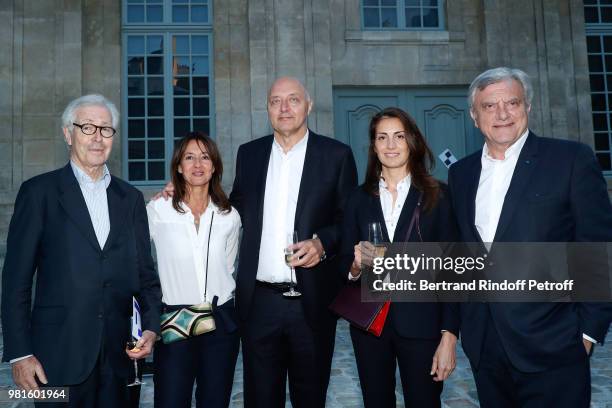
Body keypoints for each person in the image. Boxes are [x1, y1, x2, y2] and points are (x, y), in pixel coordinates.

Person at [447, 67, 612, 407]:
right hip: (486, 347)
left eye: (512, 103)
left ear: (528, 108)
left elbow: (597, 249)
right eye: (490, 106)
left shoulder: (570, 159)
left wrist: (587, 332)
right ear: (474, 116)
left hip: (554, 344)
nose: (502, 114)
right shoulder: (461, 174)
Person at [1, 94, 161, 407]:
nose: (98, 138)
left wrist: (152, 329)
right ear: (67, 133)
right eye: (87, 128)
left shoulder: (129, 199)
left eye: (106, 129)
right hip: (55, 360)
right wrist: (20, 354)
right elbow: (15, 281)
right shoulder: (39, 193)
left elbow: (146, 275)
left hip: (121, 360)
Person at [230, 77, 357, 407]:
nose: (284, 108)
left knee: (310, 397)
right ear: (268, 108)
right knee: (260, 399)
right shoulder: (250, 155)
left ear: (309, 105)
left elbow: (349, 219)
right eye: (276, 101)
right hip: (260, 303)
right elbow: (231, 209)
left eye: (293, 100)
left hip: (311, 302)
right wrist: (184, 195)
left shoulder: (336, 155)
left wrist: (322, 244)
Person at [339, 107, 459, 407]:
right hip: (371, 325)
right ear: (374, 145)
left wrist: (449, 336)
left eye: (399, 136)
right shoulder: (357, 198)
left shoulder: (438, 196)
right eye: (382, 137)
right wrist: (354, 266)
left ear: (412, 142)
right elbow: (344, 261)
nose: (391, 145)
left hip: (422, 325)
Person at [147, 132, 241, 408]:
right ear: (178, 166)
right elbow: (139, 264)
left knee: (215, 400)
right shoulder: (158, 210)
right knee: (171, 400)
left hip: (220, 318)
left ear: (214, 167)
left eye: (205, 157)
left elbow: (228, 264)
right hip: (176, 319)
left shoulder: (229, 215)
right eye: (189, 157)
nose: (197, 164)